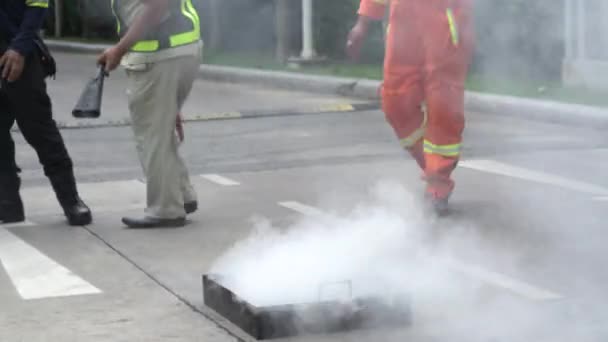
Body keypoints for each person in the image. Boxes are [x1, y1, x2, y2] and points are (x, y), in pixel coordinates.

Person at [347, 0, 475, 215]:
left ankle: (438, 183)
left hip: (444, 23)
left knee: (442, 106)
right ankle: (432, 167)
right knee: (395, 103)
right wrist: (363, 23)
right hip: (403, 29)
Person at [98, 0, 201, 228]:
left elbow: (157, 6)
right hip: (182, 52)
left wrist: (119, 49)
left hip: (159, 57)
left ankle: (166, 210)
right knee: (161, 130)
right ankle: (182, 195)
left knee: (152, 136)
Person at [0, 0, 92, 225]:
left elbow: (38, 5)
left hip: (17, 52)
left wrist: (20, 48)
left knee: (40, 130)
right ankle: (8, 205)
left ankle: (71, 200)